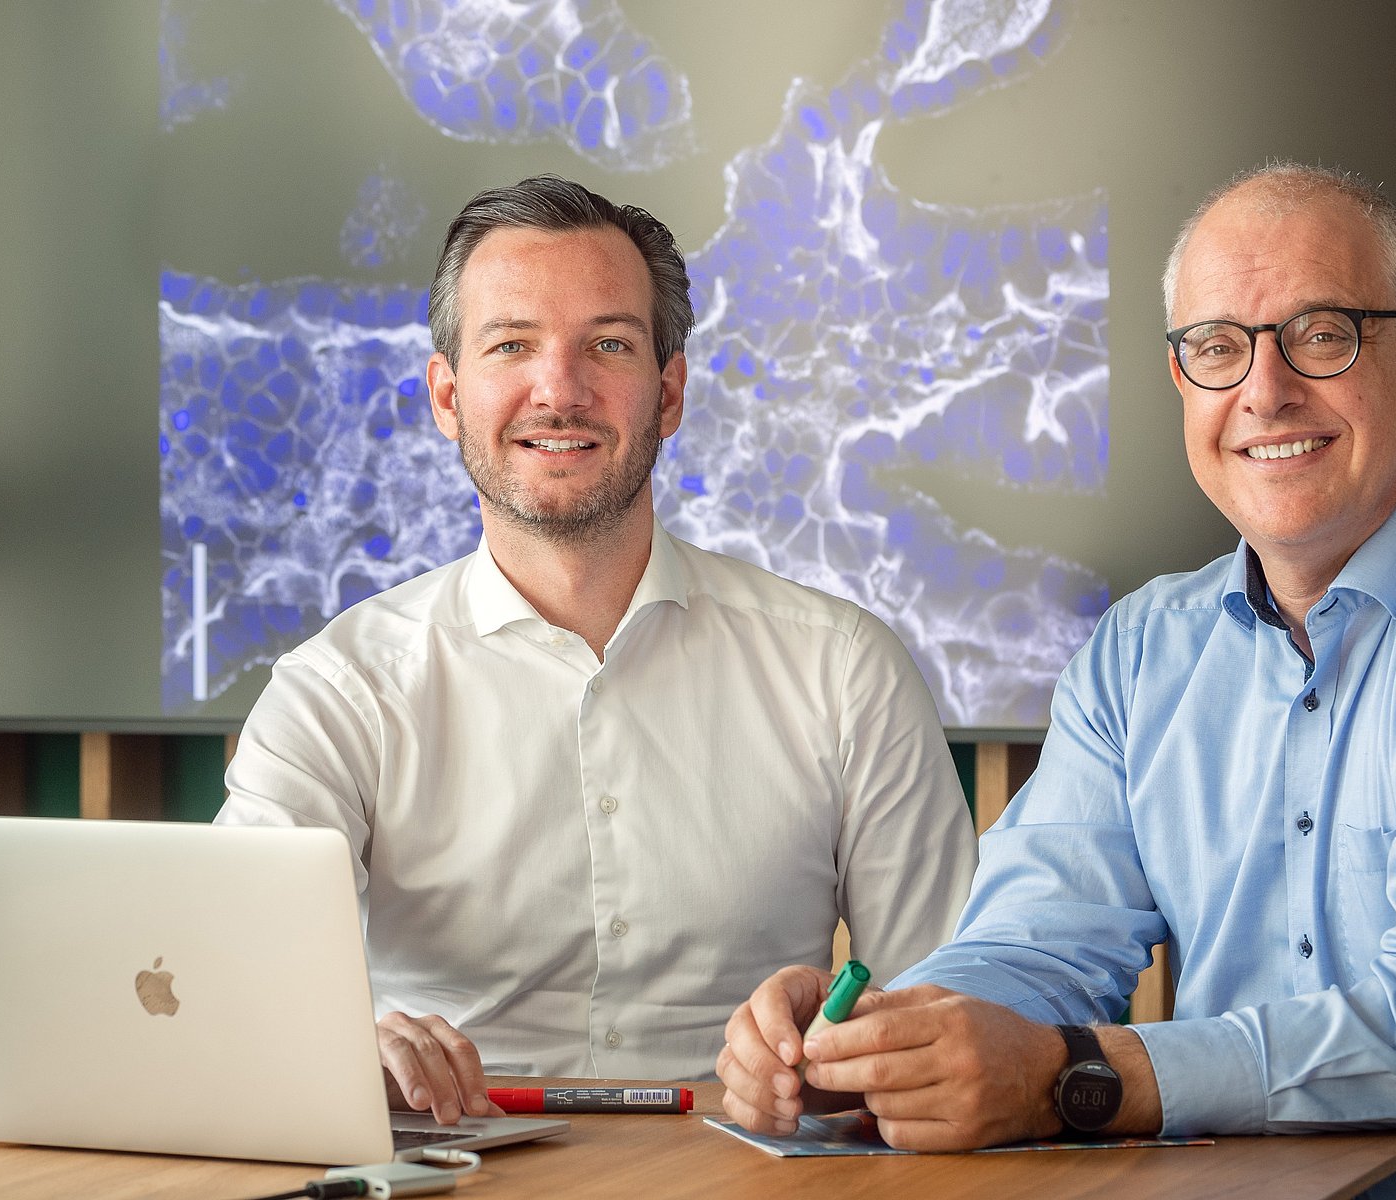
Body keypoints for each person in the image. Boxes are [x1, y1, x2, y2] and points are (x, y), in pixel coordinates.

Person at [717, 162, 1396, 1198]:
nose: (1264, 391)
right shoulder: (1140, 652)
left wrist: (1066, 1080)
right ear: (1182, 382)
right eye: (1218, 348)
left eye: (1323, 333)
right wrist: (878, 1053)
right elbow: (1030, 951)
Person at [216, 175, 976, 1125]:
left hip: (748, 1176)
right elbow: (229, 992)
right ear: (448, 397)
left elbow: (949, 1008)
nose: (559, 389)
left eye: (608, 345)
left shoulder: (844, 669)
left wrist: (849, 1061)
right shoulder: (339, 689)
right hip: (450, 1171)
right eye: (512, 346)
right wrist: (329, 1042)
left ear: (669, 392)